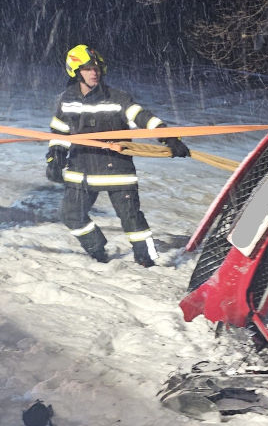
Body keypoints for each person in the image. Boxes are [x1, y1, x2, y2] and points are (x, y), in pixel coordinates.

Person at [45, 45, 189, 267]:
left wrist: (169, 138)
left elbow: (143, 117)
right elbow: (59, 132)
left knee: (133, 220)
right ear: (75, 71)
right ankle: (97, 249)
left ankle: (148, 258)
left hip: (117, 171)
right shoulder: (66, 101)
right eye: (88, 69)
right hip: (81, 171)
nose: (95, 73)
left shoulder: (117, 99)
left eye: (97, 68)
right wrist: (55, 157)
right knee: (70, 214)